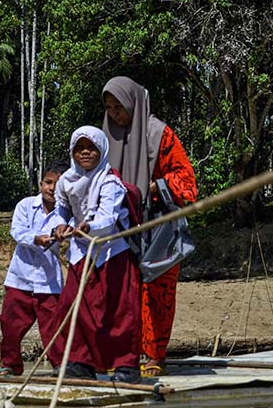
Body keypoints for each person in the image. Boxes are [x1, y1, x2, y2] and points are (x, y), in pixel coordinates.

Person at [102, 76, 198, 377]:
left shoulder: (159, 134)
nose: (116, 114)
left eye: (120, 107)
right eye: (110, 108)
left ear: (133, 102)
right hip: (118, 227)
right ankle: (124, 355)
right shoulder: (104, 139)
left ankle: (154, 354)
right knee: (119, 292)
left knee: (157, 292)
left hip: (158, 228)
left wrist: (155, 187)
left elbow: (187, 182)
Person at [52, 125, 142, 383]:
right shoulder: (66, 181)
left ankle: (125, 365)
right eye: (79, 148)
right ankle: (80, 362)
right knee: (73, 305)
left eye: (91, 148)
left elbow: (108, 217)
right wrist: (60, 225)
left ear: (101, 150)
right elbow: (61, 209)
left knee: (118, 310)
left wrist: (88, 227)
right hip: (81, 252)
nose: (85, 153)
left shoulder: (110, 181)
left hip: (111, 251)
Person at [0, 162, 68, 376]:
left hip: (49, 281)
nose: (52, 188)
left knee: (54, 327)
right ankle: (10, 365)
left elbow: (71, 231)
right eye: (48, 182)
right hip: (21, 277)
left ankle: (59, 365)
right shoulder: (25, 205)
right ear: (40, 184)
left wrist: (63, 233)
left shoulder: (66, 212)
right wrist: (36, 239)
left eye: (59, 184)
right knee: (11, 324)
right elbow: (17, 232)